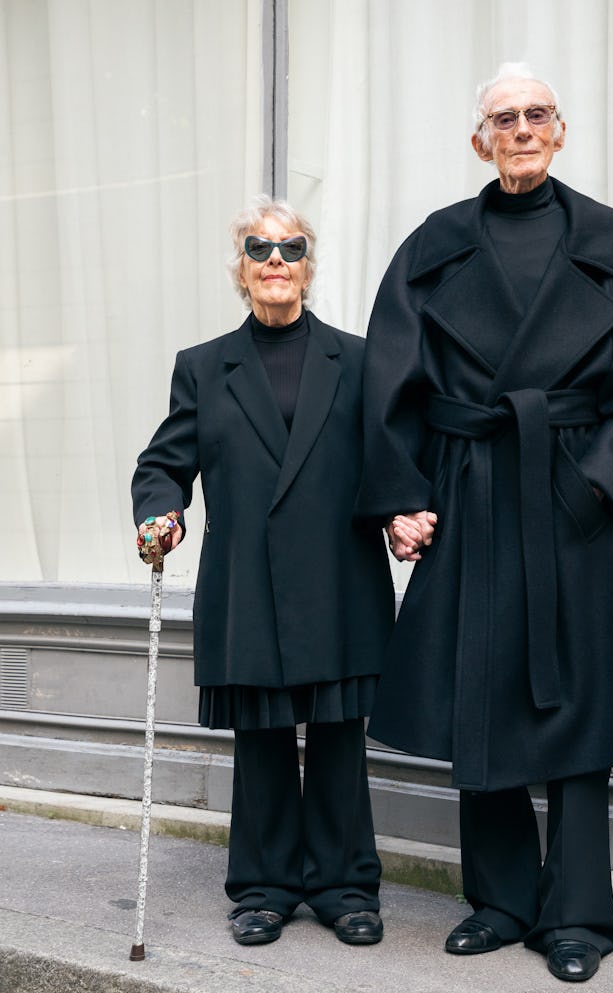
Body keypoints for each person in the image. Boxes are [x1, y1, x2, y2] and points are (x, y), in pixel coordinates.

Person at [357, 64, 613, 982]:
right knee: (482, 697)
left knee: (581, 706)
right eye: (503, 118)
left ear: (562, 128)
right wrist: (403, 496)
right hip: (468, 492)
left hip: (570, 499)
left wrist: (594, 489)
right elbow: (390, 379)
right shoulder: (434, 245)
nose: (521, 129)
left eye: (536, 113)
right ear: (479, 140)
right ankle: (500, 900)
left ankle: (579, 914)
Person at [132, 197, 394, 948]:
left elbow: (389, 458)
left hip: (340, 575)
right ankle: (264, 888)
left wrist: (408, 511)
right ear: (240, 271)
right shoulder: (205, 367)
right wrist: (161, 512)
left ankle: (345, 887)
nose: (275, 262)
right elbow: (163, 464)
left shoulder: (359, 357)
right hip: (248, 579)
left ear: (309, 267)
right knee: (264, 739)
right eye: (259, 250)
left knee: (341, 738)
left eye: (290, 249)